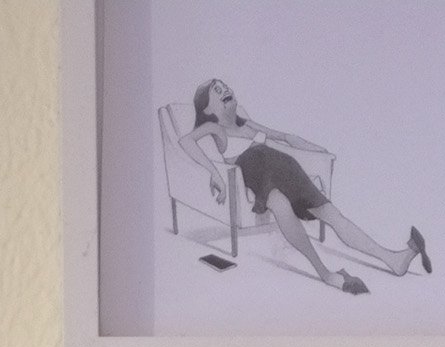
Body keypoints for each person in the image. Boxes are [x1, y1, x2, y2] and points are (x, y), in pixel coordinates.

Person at [180, 79, 429, 296]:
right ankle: (325, 273)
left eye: (224, 86)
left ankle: (394, 259)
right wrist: (215, 174)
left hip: (289, 170)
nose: (225, 89)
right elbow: (185, 140)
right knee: (279, 204)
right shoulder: (215, 129)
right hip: (262, 180)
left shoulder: (248, 124)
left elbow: (285, 137)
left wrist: (320, 151)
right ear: (208, 108)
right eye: (217, 90)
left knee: (334, 215)